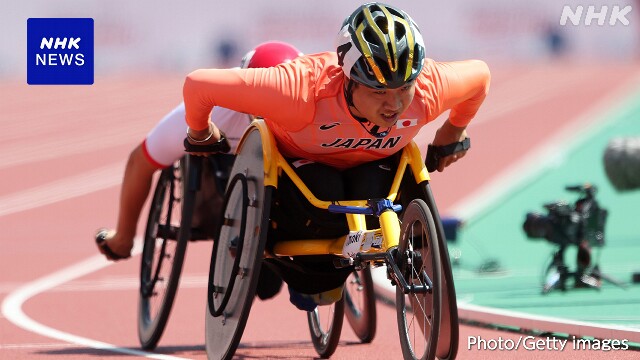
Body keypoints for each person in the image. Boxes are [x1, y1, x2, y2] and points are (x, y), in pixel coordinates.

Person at [182, 2, 490, 311]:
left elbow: (480, 77)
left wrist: (453, 131)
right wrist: (200, 134)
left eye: (404, 88)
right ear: (349, 81)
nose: (394, 105)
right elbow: (198, 86)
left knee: (372, 184)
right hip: (301, 179)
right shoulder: (298, 91)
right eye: (379, 92)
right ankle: (308, 275)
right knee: (324, 188)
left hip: (372, 172)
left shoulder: (428, 89)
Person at [95, 41, 303, 261]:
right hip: (223, 176)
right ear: (244, 90)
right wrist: (124, 238)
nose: (270, 107)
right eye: (263, 97)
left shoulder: (318, 102)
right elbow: (141, 161)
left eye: (281, 97)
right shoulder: (218, 108)